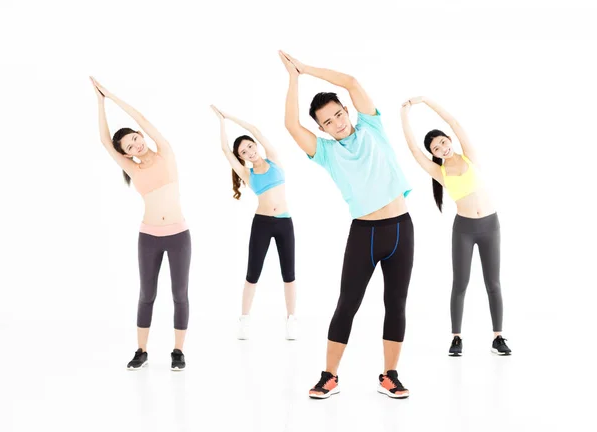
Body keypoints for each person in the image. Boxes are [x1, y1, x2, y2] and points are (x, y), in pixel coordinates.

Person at [280, 51, 413, 399]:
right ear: (322, 128)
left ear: (346, 111)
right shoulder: (325, 152)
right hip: (365, 235)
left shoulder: (372, 125)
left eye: (339, 114)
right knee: (347, 303)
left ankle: (390, 375)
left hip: (401, 228)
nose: (337, 122)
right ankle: (329, 376)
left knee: (396, 303)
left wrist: (307, 69)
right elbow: (292, 126)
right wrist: (294, 79)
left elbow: (352, 83)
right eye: (328, 122)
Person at [90, 77, 191, 371]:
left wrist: (110, 96)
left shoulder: (166, 152)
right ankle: (141, 351)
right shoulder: (131, 168)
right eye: (128, 147)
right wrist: (99, 105)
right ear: (126, 154)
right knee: (147, 294)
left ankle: (177, 351)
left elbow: (141, 118)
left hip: (178, 235)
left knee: (179, 294)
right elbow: (103, 141)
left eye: (135, 138)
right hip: (149, 236)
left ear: (139, 135)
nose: (135, 144)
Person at [400, 96, 511, 356]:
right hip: (464, 230)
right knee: (460, 283)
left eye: (442, 142)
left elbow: (453, 120)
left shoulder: (469, 154)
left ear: (448, 140)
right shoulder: (440, 172)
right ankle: (456, 338)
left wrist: (426, 102)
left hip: (490, 226)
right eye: (436, 149)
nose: (441, 148)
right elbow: (414, 150)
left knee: (493, 283)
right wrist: (404, 115)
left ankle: (498, 337)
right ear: (435, 155)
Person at [211, 105, 297, 340]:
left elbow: (255, 130)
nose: (249, 151)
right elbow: (225, 151)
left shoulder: (275, 159)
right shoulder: (247, 175)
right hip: (262, 223)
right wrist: (221, 124)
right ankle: (244, 320)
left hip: (284, 223)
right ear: (242, 158)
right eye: (244, 152)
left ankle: (291, 319)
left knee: (289, 273)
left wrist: (229, 115)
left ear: (255, 146)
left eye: (249, 146)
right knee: (253, 273)